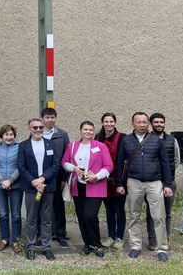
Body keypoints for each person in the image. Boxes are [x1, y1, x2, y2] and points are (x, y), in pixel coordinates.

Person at [115, 112, 173, 262]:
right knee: (134, 215)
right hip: (134, 182)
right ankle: (135, 246)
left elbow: (165, 163)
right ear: (132, 123)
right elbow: (120, 163)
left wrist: (167, 184)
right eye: (139, 122)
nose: (142, 125)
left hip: (155, 182)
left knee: (158, 216)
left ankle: (162, 248)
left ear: (148, 123)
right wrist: (119, 184)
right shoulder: (126, 141)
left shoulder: (156, 140)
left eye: (144, 122)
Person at [62, 120, 113, 258]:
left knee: (90, 215)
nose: (88, 132)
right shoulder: (72, 146)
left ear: (94, 131)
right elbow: (64, 163)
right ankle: (87, 244)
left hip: (95, 185)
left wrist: (96, 176)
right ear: (80, 131)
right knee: (81, 216)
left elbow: (109, 166)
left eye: (91, 130)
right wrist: (74, 168)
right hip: (78, 186)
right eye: (85, 129)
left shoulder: (100, 146)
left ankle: (96, 245)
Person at [18, 118, 60, 261]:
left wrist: (42, 179)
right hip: (31, 188)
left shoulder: (51, 144)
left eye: (40, 127)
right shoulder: (23, 146)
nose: (38, 130)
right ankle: (30, 246)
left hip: (47, 186)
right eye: (34, 127)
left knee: (47, 218)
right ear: (29, 129)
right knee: (31, 218)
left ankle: (47, 247)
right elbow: (21, 167)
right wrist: (34, 182)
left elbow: (55, 165)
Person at [145, 112, 180, 250]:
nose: (159, 124)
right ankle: (153, 240)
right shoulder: (146, 139)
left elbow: (176, 159)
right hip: (152, 182)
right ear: (151, 124)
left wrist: (166, 175)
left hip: (169, 182)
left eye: (161, 122)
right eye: (156, 122)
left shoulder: (172, 139)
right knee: (151, 212)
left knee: (167, 213)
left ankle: (165, 239)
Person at [96, 112, 127, 249]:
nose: (109, 124)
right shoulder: (98, 137)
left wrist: (119, 181)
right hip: (103, 180)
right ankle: (110, 236)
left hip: (118, 179)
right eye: (106, 122)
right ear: (102, 122)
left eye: (111, 121)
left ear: (115, 122)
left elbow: (122, 160)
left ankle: (119, 237)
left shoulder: (122, 137)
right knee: (108, 209)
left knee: (119, 209)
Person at [40, 107, 70, 247]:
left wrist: (64, 178)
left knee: (58, 207)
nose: (50, 120)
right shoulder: (37, 133)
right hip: (41, 178)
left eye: (52, 117)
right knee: (41, 207)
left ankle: (60, 235)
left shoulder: (62, 135)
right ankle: (41, 234)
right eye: (47, 117)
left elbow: (66, 156)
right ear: (42, 118)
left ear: (55, 118)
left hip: (57, 178)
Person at [0, 124, 22, 253]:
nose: (9, 137)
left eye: (11, 134)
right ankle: (4, 239)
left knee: (16, 215)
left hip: (16, 186)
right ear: (2, 136)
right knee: (3, 214)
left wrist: (10, 180)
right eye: (6, 134)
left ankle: (16, 241)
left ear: (14, 136)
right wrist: (2, 181)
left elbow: (21, 166)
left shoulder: (20, 148)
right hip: (0, 186)